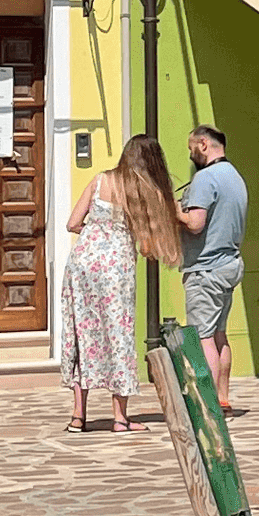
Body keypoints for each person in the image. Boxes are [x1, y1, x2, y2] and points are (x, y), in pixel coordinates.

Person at [56, 134, 182, 432]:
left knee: (81, 334)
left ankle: (78, 416)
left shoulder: (100, 180)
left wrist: (97, 231)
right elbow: (148, 245)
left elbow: (72, 223)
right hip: (116, 269)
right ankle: (120, 418)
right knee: (118, 333)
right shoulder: (142, 190)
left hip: (83, 264)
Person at [177, 124, 250, 414]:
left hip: (206, 269)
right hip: (229, 264)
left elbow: (195, 223)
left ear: (203, 144)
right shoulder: (234, 176)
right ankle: (223, 398)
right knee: (220, 335)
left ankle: (209, 407)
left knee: (203, 336)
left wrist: (173, 209)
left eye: (191, 147)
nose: (190, 154)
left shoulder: (205, 178)